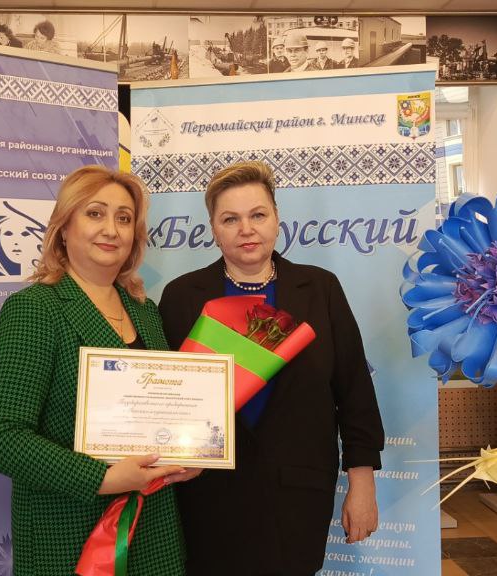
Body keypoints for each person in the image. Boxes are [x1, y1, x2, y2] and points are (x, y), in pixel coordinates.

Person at [159, 161, 384, 576]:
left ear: (277, 219)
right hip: (208, 498)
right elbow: (166, 397)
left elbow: (354, 391)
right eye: (230, 219)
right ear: (214, 229)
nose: (246, 229)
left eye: (258, 215)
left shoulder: (320, 289)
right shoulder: (181, 296)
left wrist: (362, 483)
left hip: (297, 493)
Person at [0, 166, 188, 576]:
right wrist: (101, 478)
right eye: (95, 213)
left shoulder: (145, 312)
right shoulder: (35, 309)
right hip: (69, 538)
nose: (111, 229)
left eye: (124, 218)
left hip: (153, 538)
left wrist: (186, 455)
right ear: (64, 228)